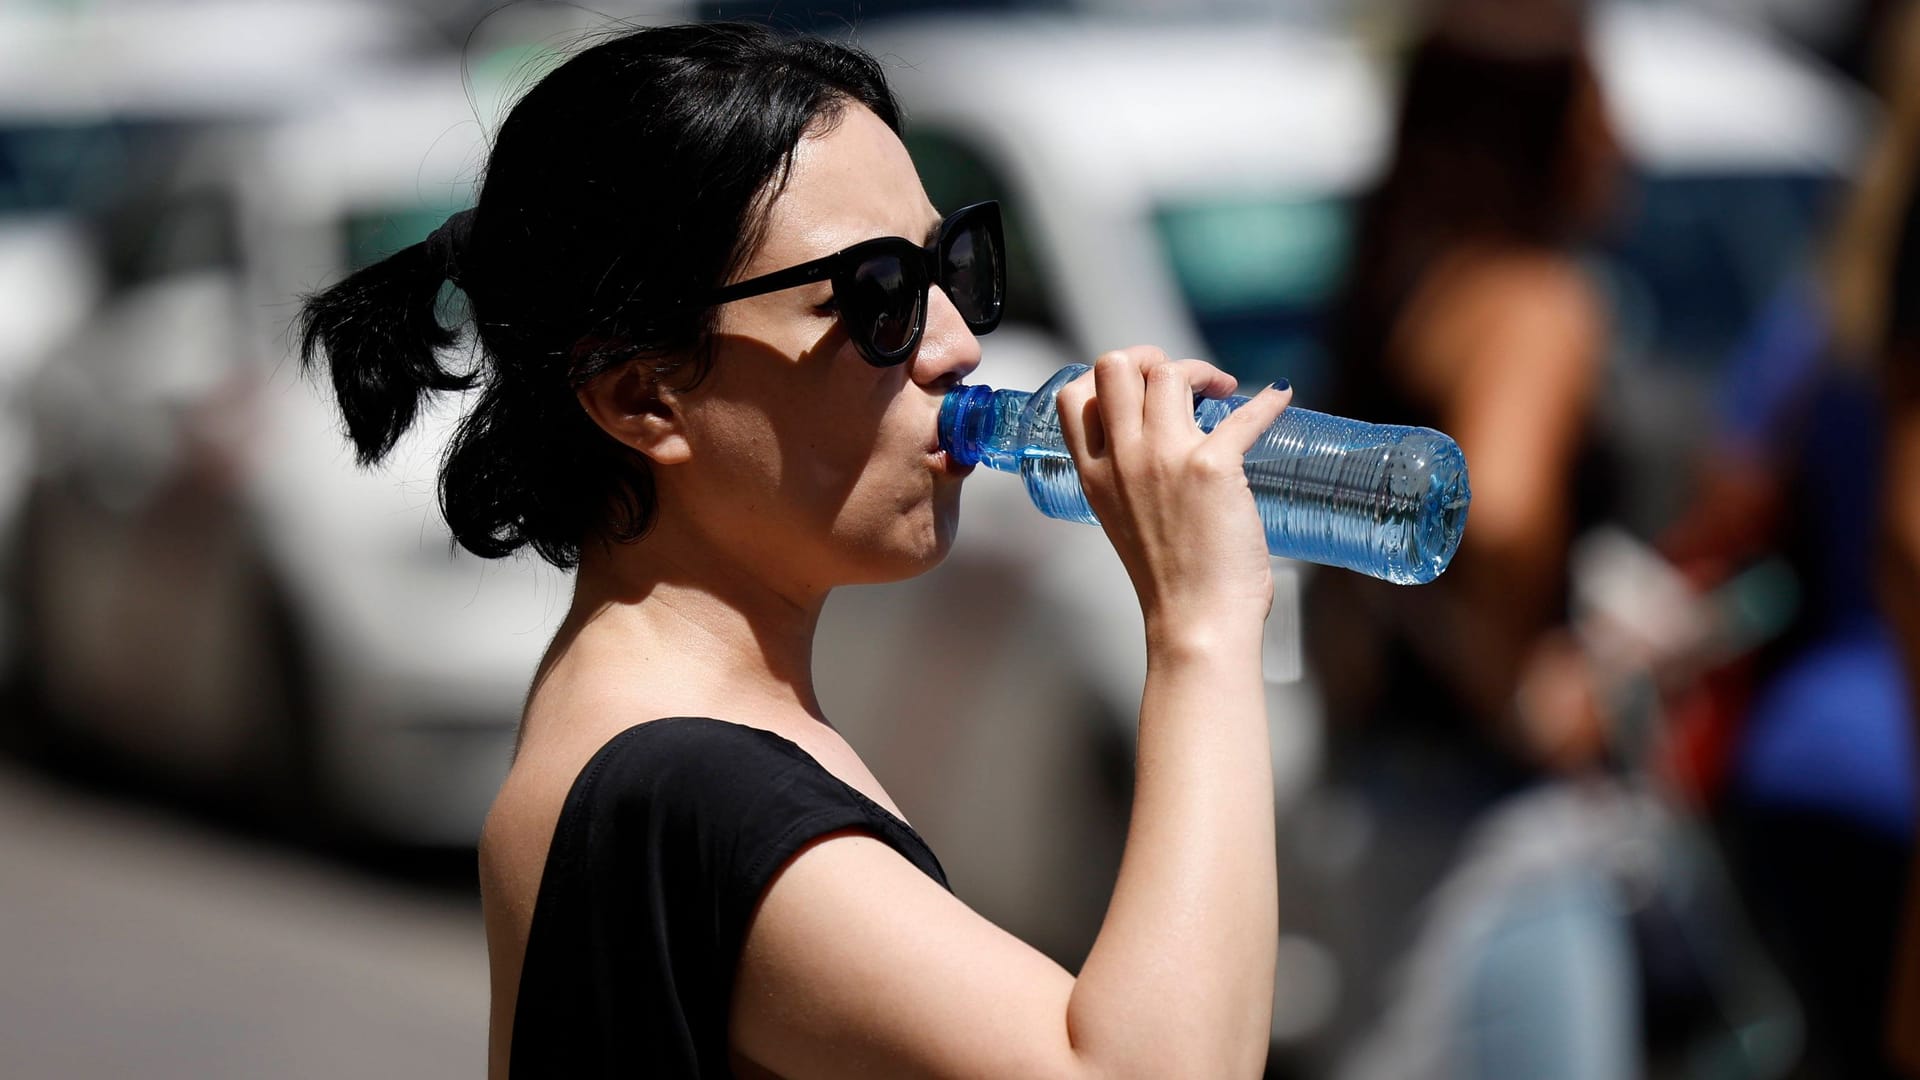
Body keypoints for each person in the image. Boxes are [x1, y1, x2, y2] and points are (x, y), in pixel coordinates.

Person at [295, 22, 1291, 1080]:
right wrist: (1202, 630)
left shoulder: (650, 728)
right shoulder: (687, 784)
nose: (956, 342)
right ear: (645, 393)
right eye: (876, 296)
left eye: (950, 264)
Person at [1299, 0, 1638, 1074]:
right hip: (1497, 837)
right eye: (1598, 103)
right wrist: (1522, 686)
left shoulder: (1408, 285)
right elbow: (1501, 517)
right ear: (1539, 127)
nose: (1627, 139)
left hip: (1379, 800)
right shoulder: (1536, 302)